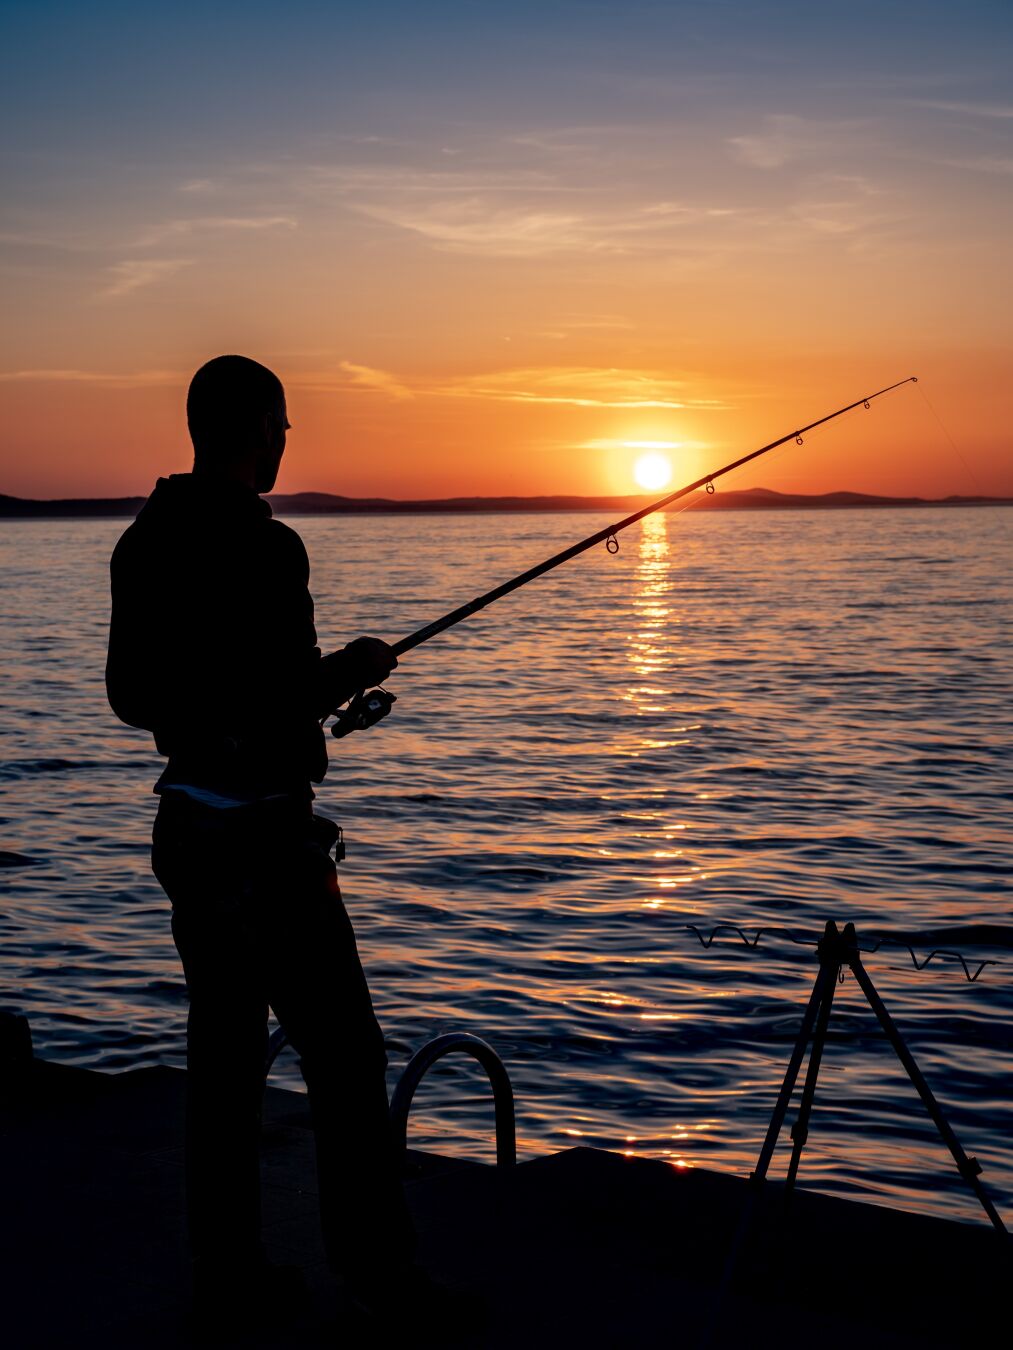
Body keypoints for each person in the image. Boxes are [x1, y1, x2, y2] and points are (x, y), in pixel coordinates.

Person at [105, 355, 427, 1332]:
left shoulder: (143, 540)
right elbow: (286, 690)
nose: (287, 440)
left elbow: (130, 698)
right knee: (345, 1054)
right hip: (265, 846)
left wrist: (236, 707)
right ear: (249, 426)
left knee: (226, 1062)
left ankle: (229, 1277)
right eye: (280, 423)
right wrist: (351, 668)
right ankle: (379, 1279)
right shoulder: (266, 548)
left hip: (188, 831)